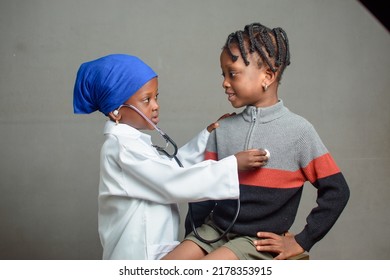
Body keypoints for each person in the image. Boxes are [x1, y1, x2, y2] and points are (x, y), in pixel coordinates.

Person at [162, 22, 350, 260]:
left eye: (233, 74)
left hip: (256, 240)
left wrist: (303, 241)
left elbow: (338, 191)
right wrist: (194, 238)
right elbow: (204, 190)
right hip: (214, 230)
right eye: (223, 74)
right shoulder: (222, 129)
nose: (224, 82)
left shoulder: (299, 132)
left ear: (267, 76)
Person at [73, 54, 269, 260]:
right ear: (115, 112)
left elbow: (171, 168)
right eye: (146, 100)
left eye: (156, 97)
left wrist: (206, 137)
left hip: (153, 252)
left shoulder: (134, 145)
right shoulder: (122, 149)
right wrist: (232, 165)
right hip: (134, 256)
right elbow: (172, 181)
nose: (155, 105)